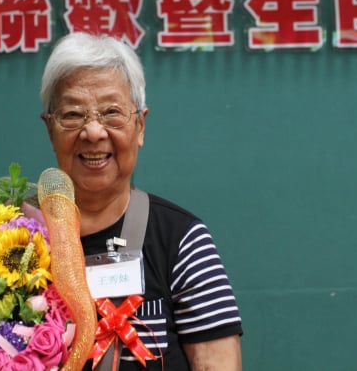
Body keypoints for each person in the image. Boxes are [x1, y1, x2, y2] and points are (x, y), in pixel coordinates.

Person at [38, 32, 243, 370]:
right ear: (50, 129)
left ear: (141, 126)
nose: (93, 132)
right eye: (73, 115)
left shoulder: (181, 240)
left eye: (111, 112)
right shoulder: (11, 237)